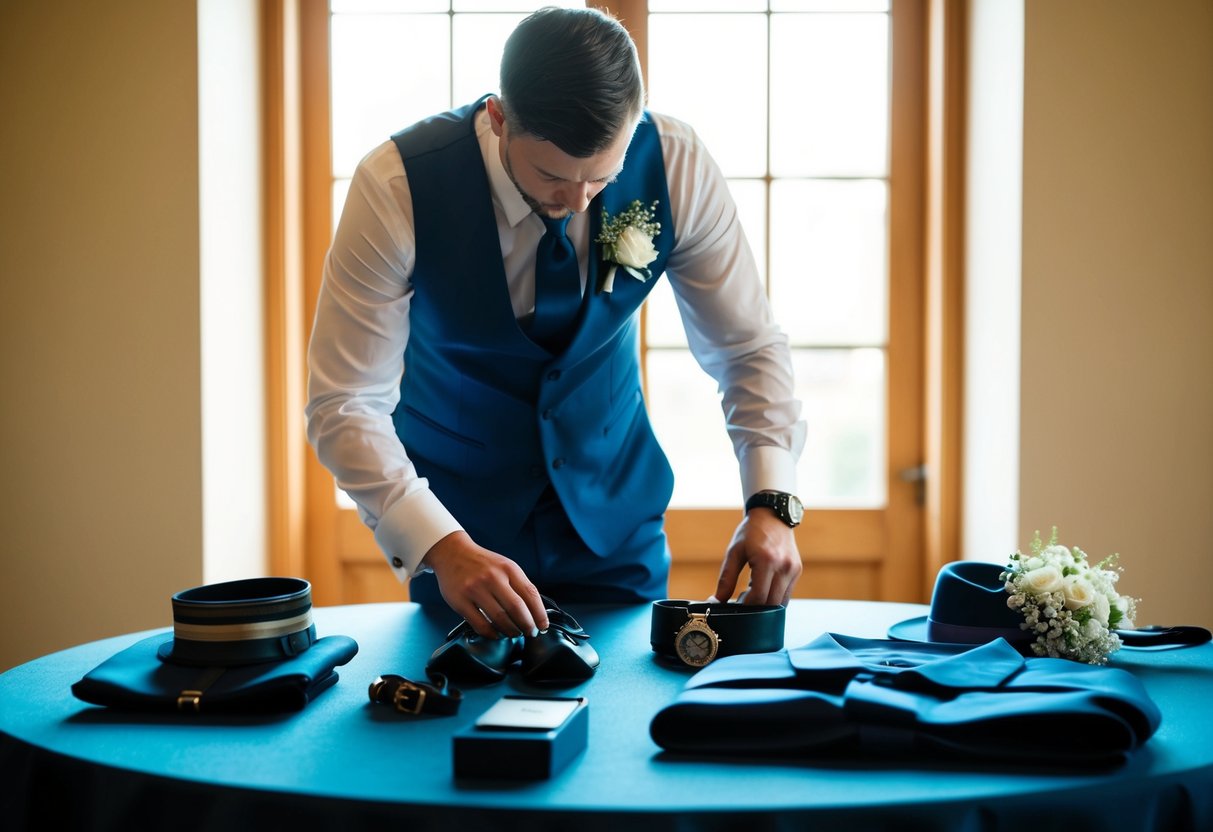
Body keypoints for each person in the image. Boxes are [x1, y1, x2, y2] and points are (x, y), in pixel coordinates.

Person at [306, 6, 806, 640]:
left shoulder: (674, 162)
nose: (578, 202)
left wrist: (772, 501)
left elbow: (747, 347)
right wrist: (437, 543)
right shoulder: (397, 185)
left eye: (604, 177)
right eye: (552, 175)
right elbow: (345, 401)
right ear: (498, 118)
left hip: (616, 526)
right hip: (461, 537)